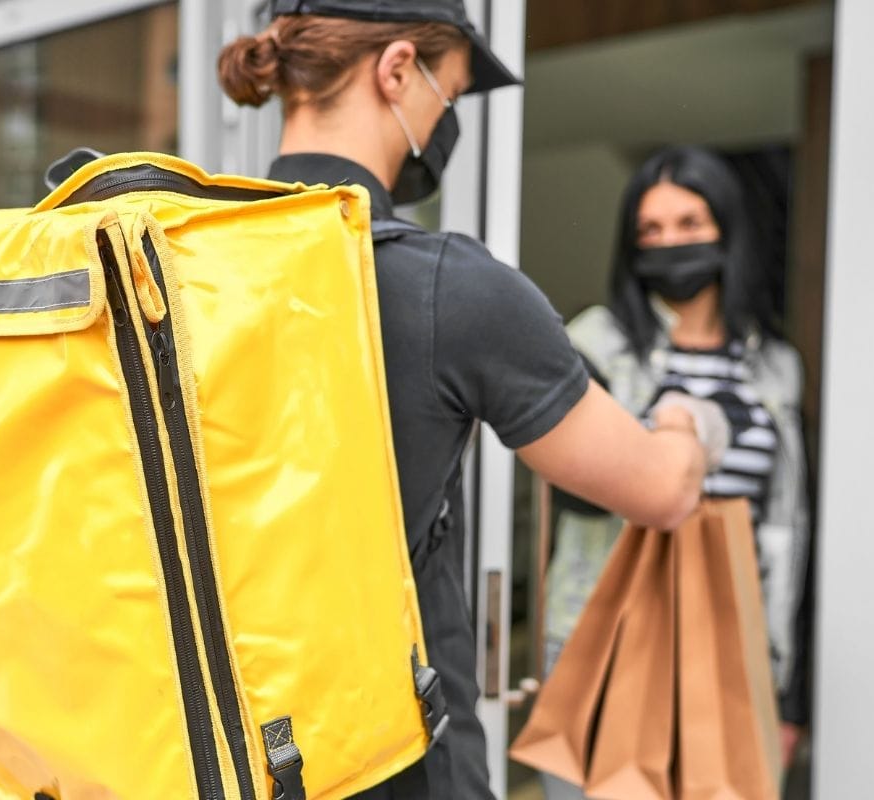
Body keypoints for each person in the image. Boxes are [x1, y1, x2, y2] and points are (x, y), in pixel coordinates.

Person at [219, 4, 728, 798]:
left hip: (214, 752)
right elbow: (662, 490)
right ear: (395, 72)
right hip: (391, 764)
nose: (444, 118)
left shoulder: (182, 263)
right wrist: (684, 423)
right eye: (446, 94)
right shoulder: (444, 286)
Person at [541, 145, 813, 799]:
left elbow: (789, 524)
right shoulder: (595, 344)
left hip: (733, 643)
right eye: (651, 231)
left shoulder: (773, 366)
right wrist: (676, 431)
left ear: (727, 228)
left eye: (689, 225)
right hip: (607, 639)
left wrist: (785, 691)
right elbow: (577, 492)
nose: (670, 244)